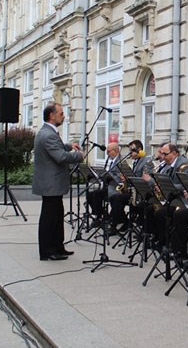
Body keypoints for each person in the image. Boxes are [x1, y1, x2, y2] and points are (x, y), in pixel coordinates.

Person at [32, 102, 84, 261]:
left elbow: (58, 147)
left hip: (52, 184)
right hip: (51, 185)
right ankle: (49, 251)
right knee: (50, 218)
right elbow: (60, 157)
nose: (64, 116)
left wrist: (69, 146)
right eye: (61, 113)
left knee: (56, 215)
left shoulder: (48, 132)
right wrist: (79, 156)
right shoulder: (48, 135)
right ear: (51, 115)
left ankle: (58, 247)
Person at [109, 140, 154, 232]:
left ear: (139, 150)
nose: (130, 153)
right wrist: (126, 179)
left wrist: (131, 179)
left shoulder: (146, 161)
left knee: (117, 199)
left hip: (140, 193)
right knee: (114, 198)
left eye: (132, 151)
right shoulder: (134, 161)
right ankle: (123, 221)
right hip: (132, 190)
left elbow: (145, 179)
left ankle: (119, 223)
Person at [87, 142, 124, 229]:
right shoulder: (111, 161)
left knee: (99, 195)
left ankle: (113, 219)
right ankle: (101, 215)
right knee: (91, 195)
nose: (107, 153)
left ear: (115, 151)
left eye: (108, 151)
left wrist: (109, 175)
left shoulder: (121, 161)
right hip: (108, 186)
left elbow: (120, 178)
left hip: (115, 188)